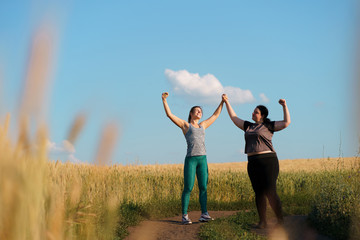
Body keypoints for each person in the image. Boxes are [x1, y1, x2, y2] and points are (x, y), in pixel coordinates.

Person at [222, 94, 291, 229]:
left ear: (263, 116)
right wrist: (226, 102)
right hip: (252, 162)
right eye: (253, 111)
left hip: (268, 161)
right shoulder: (248, 126)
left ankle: (280, 220)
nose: (253, 113)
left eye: (256, 112)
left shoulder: (269, 125)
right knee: (258, 192)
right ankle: (263, 221)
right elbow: (234, 118)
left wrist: (284, 106)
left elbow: (286, 122)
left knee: (270, 191)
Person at [162, 92, 224, 224]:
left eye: (201, 111)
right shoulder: (186, 126)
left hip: (203, 159)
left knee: (203, 187)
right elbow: (169, 115)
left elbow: (216, 114)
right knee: (188, 188)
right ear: (191, 113)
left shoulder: (203, 125)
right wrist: (164, 100)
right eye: (197, 110)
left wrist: (222, 102)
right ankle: (184, 215)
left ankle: (204, 214)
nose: (200, 112)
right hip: (191, 159)